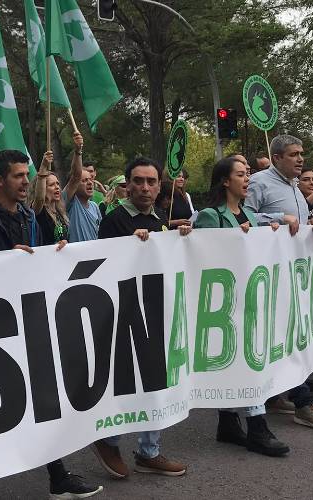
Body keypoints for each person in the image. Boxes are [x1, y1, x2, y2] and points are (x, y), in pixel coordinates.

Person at [0, 149, 99, 500]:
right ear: (0, 180)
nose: (25, 181)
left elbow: (38, 258)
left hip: (25, 317)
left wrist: (57, 251)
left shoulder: (28, 217)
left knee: (41, 398)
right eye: (18, 176)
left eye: (27, 174)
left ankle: (57, 475)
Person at [94, 157, 189, 479]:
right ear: (128, 184)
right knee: (125, 384)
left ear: (159, 186)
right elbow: (103, 265)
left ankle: (150, 451)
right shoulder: (114, 220)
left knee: (155, 382)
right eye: (138, 181)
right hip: (124, 316)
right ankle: (109, 440)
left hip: (156, 312)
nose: (144, 188)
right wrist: (128, 247)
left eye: (151, 182)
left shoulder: (161, 218)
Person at [245, 134, 313, 425]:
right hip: (271, 274)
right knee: (290, 337)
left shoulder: (293, 184)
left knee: (287, 336)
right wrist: (278, 218)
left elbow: (301, 214)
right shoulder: (259, 182)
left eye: (302, 153)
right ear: (277, 158)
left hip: (297, 274)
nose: (301, 159)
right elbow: (246, 217)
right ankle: (303, 402)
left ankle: (274, 397)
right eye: (293, 154)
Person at [193, 156, 290, 456]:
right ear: (225, 181)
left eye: (248, 174)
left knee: (239, 360)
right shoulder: (211, 215)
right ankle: (258, 428)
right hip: (224, 303)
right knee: (246, 362)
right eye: (241, 174)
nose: (247, 179)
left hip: (249, 299)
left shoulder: (250, 212)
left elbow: (274, 223)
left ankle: (228, 423)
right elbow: (204, 256)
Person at [64, 133, 101, 243]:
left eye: (90, 179)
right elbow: (75, 176)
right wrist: (78, 150)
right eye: (84, 181)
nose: (90, 183)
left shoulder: (95, 207)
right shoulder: (70, 202)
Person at [31, 151, 70, 244]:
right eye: (51, 185)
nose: (57, 187)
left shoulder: (60, 212)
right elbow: (39, 199)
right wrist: (44, 167)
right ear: (43, 189)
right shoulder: (39, 211)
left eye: (57, 183)